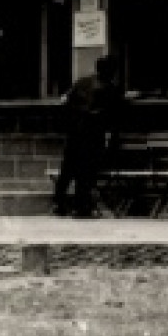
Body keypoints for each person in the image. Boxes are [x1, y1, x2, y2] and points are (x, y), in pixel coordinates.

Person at [54, 55, 129, 218]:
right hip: (92, 135)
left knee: (67, 169)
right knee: (85, 172)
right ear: (111, 72)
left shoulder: (82, 82)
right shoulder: (109, 89)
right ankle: (81, 208)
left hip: (74, 132)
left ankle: (59, 204)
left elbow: (64, 100)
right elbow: (118, 109)